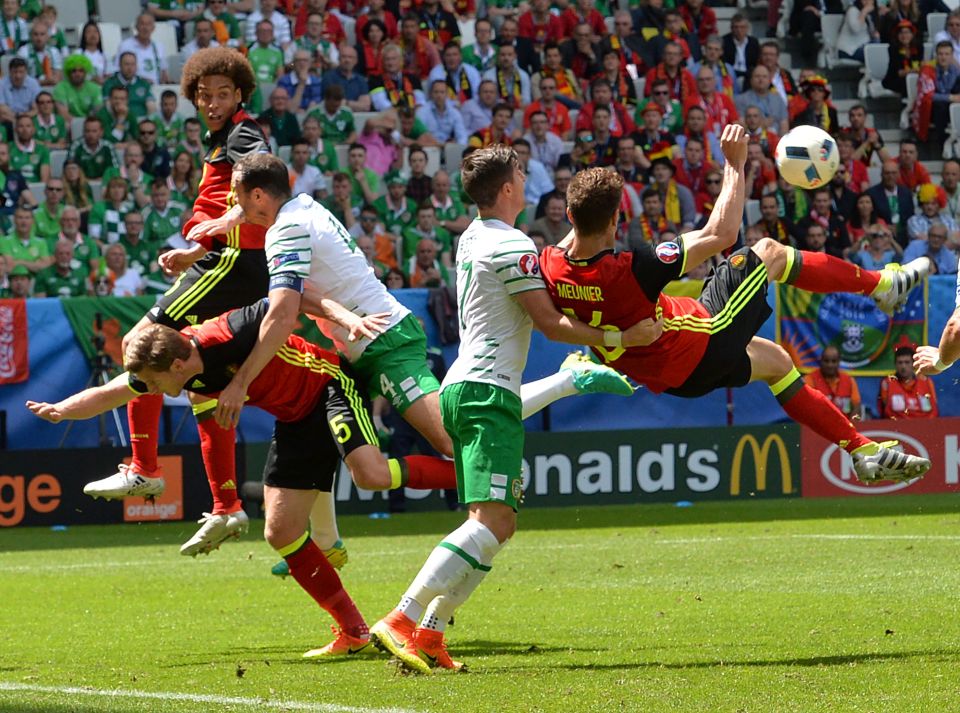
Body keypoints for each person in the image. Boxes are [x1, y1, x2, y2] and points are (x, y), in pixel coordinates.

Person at [25, 299, 456, 658]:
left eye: (155, 382)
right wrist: (62, 409)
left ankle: (465, 476)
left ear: (176, 365)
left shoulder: (227, 331)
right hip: (294, 418)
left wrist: (344, 319)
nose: (151, 390)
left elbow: (293, 300)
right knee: (281, 531)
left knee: (372, 474)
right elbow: (112, 393)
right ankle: (355, 631)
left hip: (331, 386)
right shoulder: (176, 367)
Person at [366, 144, 658, 673]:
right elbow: (550, 323)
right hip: (486, 390)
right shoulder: (513, 245)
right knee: (492, 521)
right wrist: (618, 333)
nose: (526, 179)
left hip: (469, 386)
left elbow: (540, 268)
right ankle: (402, 618)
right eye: (520, 173)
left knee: (497, 524)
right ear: (507, 189)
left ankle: (430, 635)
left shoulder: (476, 236)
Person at [538, 125, 933, 490]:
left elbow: (552, 325)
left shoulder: (549, 265)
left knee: (777, 362)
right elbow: (722, 233)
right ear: (616, 220)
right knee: (769, 252)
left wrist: (615, 338)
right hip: (705, 338)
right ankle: (881, 285)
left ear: (569, 214)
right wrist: (735, 162)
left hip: (674, 378)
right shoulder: (634, 269)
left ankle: (861, 449)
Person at [213, 152, 637, 483]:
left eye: (236, 194)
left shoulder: (286, 227)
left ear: (257, 195)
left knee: (451, 441)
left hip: (384, 341)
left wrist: (241, 382)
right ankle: (314, 539)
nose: (232, 202)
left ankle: (565, 383)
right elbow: (297, 288)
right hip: (359, 343)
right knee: (343, 451)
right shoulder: (302, 207)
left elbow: (284, 310)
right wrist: (226, 219)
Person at [79, 48, 270, 559]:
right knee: (201, 381)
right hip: (226, 263)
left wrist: (205, 242)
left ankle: (144, 468)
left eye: (222, 94)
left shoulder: (243, 135)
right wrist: (199, 244)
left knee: (139, 343)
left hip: (231, 265)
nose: (211, 103)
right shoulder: (219, 138)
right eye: (204, 95)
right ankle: (227, 505)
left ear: (240, 95)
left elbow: (264, 178)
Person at [879, 342, 939, 418]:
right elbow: (885, 410)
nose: (903, 366)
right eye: (900, 363)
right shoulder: (887, 382)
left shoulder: (926, 382)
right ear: (895, 364)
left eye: (907, 362)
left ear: (913, 364)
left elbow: (934, 408)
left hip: (925, 425)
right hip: (896, 426)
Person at [804, 345, 862, 419]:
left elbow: (857, 407)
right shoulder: (810, 380)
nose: (830, 365)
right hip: (818, 427)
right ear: (821, 361)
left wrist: (852, 424)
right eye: (826, 361)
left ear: (839, 362)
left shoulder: (849, 381)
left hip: (844, 427)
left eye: (833, 361)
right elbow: (805, 409)